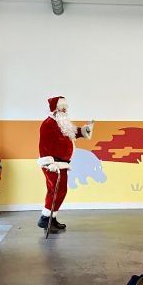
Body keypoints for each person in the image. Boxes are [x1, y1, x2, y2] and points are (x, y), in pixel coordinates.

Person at [36, 96, 93, 232]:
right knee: (56, 191)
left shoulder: (61, 123)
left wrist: (84, 130)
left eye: (65, 108)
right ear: (55, 109)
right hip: (53, 165)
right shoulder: (48, 124)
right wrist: (49, 164)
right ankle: (45, 219)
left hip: (61, 164)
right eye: (62, 108)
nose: (64, 110)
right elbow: (43, 146)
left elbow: (71, 133)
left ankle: (52, 218)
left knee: (58, 191)